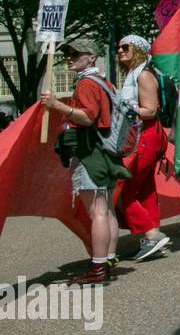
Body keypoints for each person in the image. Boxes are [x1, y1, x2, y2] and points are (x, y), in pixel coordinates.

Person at [41, 42, 130, 284]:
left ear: (91, 57)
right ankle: (108, 259)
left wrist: (58, 105)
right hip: (106, 151)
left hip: (91, 151)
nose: (69, 58)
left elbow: (88, 117)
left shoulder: (86, 83)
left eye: (75, 54)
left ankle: (98, 268)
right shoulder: (103, 81)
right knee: (107, 208)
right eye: (67, 54)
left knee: (97, 212)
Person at [115, 34, 170, 260]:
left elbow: (150, 110)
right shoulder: (134, 74)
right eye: (118, 47)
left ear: (138, 50)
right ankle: (152, 237)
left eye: (125, 47)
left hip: (144, 137)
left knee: (123, 191)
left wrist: (119, 109)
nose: (120, 51)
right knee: (145, 189)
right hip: (142, 136)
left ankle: (151, 235)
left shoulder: (144, 76)